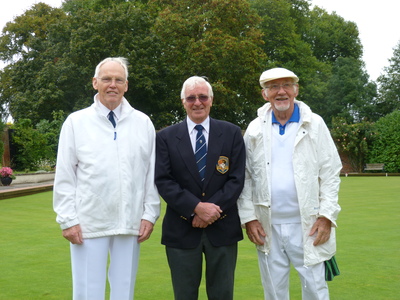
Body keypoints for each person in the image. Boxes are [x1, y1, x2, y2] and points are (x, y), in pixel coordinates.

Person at [53, 57, 160, 300]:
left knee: (124, 291)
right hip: (88, 222)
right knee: (88, 292)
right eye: (106, 79)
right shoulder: (76, 122)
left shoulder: (142, 122)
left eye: (118, 80)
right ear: (95, 83)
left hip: (130, 220)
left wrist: (149, 214)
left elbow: (150, 173)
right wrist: (68, 219)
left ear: (126, 85)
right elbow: (65, 175)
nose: (112, 85)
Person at [237, 67, 342, 300]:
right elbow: (245, 177)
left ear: (296, 90)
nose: (280, 92)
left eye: (286, 85)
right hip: (268, 227)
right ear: (265, 94)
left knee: (315, 291)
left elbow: (331, 172)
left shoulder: (314, 124)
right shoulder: (254, 129)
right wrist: (249, 218)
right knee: (273, 293)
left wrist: (326, 216)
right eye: (273, 87)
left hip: (309, 226)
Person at [155, 76, 246, 300]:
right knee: (184, 295)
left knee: (222, 294)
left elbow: (236, 179)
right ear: (183, 102)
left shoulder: (232, 133)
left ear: (211, 100)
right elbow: (164, 180)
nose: (198, 102)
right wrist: (196, 208)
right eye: (191, 98)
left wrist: (211, 212)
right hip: (182, 229)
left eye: (203, 97)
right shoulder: (165, 137)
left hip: (223, 228)